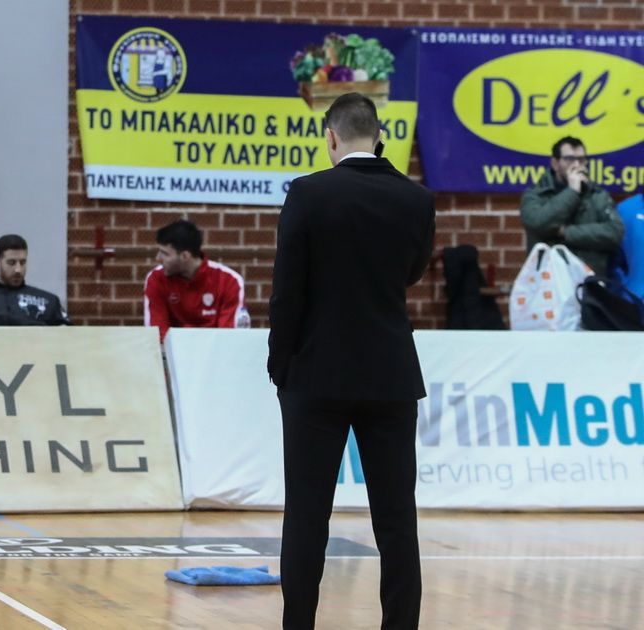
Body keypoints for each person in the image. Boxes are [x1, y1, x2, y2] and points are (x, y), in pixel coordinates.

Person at [267, 93, 435, 629]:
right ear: (379, 137)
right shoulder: (416, 199)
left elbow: (287, 288)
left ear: (331, 137)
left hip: (315, 372)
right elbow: (412, 273)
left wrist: (279, 362)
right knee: (397, 518)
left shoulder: (309, 192)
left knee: (307, 514)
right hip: (390, 373)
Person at [520, 136, 625, 277]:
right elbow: (537, 224)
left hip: (589, 281)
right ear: (555, 163)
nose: (576, 164)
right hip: (548, 282)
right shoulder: (536, 194)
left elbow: (614, 233)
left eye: (581, 159)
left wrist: (565, 232)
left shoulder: (597, 195)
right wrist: (572, 191)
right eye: (569, 159)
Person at [143, 219, 249, 341]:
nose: (158, 258)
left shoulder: (229, 281)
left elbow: (229, 336)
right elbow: (157, 334)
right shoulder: (156, 278)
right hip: (172, 352)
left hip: (216, 352)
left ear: (185, 256)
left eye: (165, 254)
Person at [0, 234, 70, 326]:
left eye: (22, 262)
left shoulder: (49, 300)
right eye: (11, 263)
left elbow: (68, 332)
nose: (18, 270)